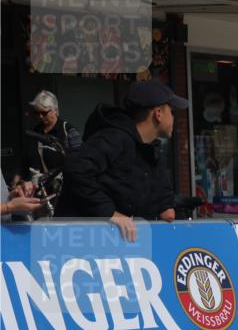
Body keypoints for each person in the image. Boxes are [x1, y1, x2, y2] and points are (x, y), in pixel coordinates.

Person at [57, 80, 186, 241]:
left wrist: (165, 207)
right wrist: (110, 213)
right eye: (171, 112)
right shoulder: (114, 138)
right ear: (158, 114)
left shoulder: (151, 150)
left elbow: (161, 200)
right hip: (80, 240)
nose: (174, 118)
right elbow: (75, 168)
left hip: (119, 243)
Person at [12, 90, 82, 190]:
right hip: (37, 189)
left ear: (55, 110)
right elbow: (23, 162)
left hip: (62, 190)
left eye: (44, 113)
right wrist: (15, 184)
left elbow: (79, 162)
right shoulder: (33, 131)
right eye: (37, 113)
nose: (40, 116)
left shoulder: (68, 131)